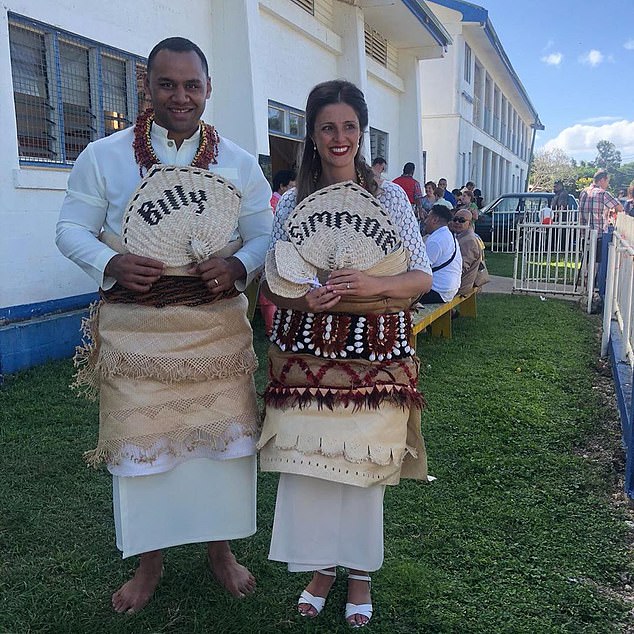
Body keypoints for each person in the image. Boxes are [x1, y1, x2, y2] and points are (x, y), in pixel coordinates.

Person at [56, 37, 273, 614]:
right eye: (167, 84)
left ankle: (220, 552)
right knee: (141, 455)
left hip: (216, 336)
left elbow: (264, 236)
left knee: (223, 452)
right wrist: (110, 262)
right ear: (146, 88)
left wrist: (237, 265)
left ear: (208, 89)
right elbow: (70, 228)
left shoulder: (239, 162)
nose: (180, 96)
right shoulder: (102, 157)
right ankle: (148, 563)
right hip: (137, 338)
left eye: (192, 85)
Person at [258, 79, 432, 628]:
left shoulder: (390, 198)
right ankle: (321, 567)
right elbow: (276, 279)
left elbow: (421, 277)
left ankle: (359, 573)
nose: (340, 138)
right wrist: (306, 296)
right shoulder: (291, 202)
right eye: (328, 127)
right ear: (311, 134)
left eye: (349, 127)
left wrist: (369, 285)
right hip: (307, 352)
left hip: (374, 350)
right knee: (311, 464)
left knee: (361, 461)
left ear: (362, 131)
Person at [261, 169, 296, 334]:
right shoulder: (280, 202)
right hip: (274, 251)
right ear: (282, 186)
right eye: (290, 185)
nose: (293, 187)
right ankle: (271, 327)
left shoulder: (277, 200)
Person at [418, 204, 462, 304]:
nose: (425, 221)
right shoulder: (447, 234)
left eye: (428, 217)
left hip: (438, 291)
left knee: (396, 293)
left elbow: (421, 268)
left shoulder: (436, 240)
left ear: (435, 220)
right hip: (450, 288)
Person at [449, 209, 489, 295]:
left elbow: (462, 267)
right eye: (455, 219)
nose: (457, 222)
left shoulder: (469, 240)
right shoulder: (461, 236)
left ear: (470, 223)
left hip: (462, 286)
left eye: (462, 220)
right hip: (460, 282)